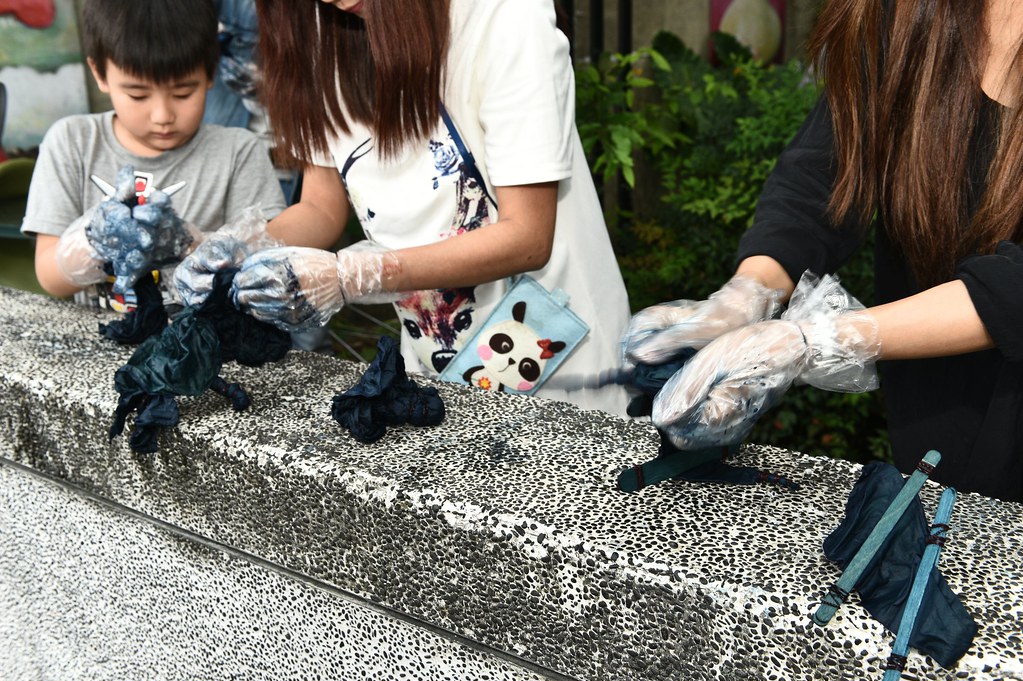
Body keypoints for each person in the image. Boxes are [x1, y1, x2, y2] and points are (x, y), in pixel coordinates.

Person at [624, 0, 1023, 502]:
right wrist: (749, 294)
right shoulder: (905, 13)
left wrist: (816, 341)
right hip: (935, 422)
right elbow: (825, 178)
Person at [179, 0, 631, 415]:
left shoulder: (502, 16)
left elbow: (528, 236)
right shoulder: (312, 29)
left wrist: (351, 276)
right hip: (434, 361)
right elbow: (320, 207)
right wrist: (236, 247)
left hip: (557, 352)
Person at [22, 0, 286, 309]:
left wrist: (195, 245)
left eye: (182, 93)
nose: (162, 115)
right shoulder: (72, 142)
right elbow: (51, 279)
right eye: (138, 95)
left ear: (211, 73)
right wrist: (94, 242)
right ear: (100, 73)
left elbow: (268, 263)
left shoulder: (239, 152)